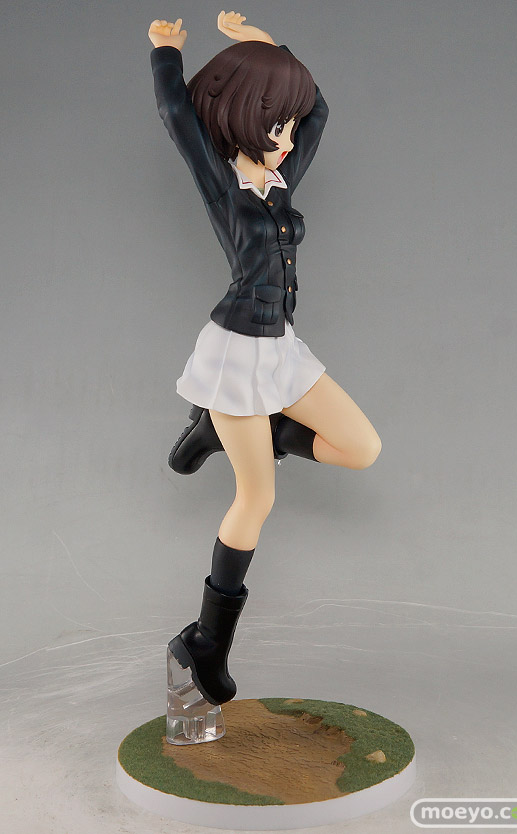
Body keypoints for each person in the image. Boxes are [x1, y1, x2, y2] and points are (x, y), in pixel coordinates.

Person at [148, 11, 382, 740]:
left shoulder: (282, 177)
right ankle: (205, 642)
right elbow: (177, 116)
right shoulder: (223, 186)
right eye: (273, 124)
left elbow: (320, 111)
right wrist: (165, 54)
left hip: (282, 349)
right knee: (258, 498)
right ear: (241, 120)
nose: (285, 137)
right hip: (236, 356)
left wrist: (266, 44)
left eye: (287, 126)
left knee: (361, 447)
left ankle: (241, 432)